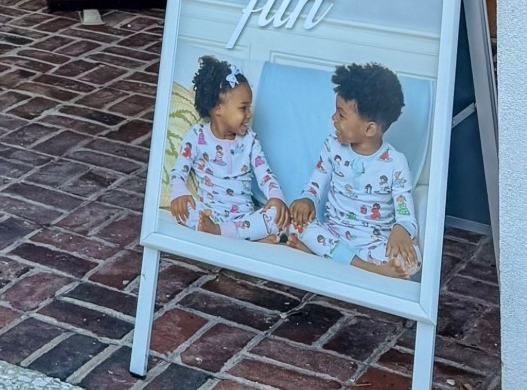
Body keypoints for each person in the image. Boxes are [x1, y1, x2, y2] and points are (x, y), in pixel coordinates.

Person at [287, 62, 421, 278]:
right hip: (334, 232)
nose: (333, 118)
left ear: (369, 128)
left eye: (341, 114)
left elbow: (404, 209)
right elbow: (316, 182)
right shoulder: (332, 146)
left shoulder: (396, 162)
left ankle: (326, 256)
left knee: (412, 259)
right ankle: (370, 269)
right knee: (297, 226)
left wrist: (402, 229)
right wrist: (307, 200)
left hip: (374, 241)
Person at [166, 55, 288, 240]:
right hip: (209, 213)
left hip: (244, 216)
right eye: (243, 108)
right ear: (217, 109)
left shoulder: (250, 140)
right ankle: (248, 237)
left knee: (279, 218)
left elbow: (266, 175)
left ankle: (222, 232)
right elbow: (179, 171)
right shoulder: (197, 136)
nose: (249, 115)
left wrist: (276, 197)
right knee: (183, 212)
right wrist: (179, 193)